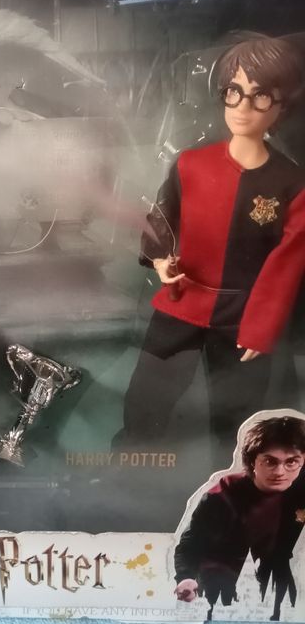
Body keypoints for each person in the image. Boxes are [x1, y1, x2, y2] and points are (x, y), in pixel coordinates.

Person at [115, 35, 305, 464]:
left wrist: (261, 327)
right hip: (182, 299)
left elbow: (287, 263)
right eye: (234, 91)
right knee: (145, 399)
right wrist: (161, 261)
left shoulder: (291, 183)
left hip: (243, 314)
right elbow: (163, 218)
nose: (242, 106)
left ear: (282, 104)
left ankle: (231, 477)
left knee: (238, 413)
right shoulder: (190, 164)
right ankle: (127, 467)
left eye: (260, 96)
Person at [174, 414, 305, 621]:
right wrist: (186, 577)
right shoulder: (221, 495)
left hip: (281, 584)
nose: (280, 471)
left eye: (291, 462)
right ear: (252, 461)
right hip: (222, 586)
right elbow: (191, 543)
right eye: (269, 461)